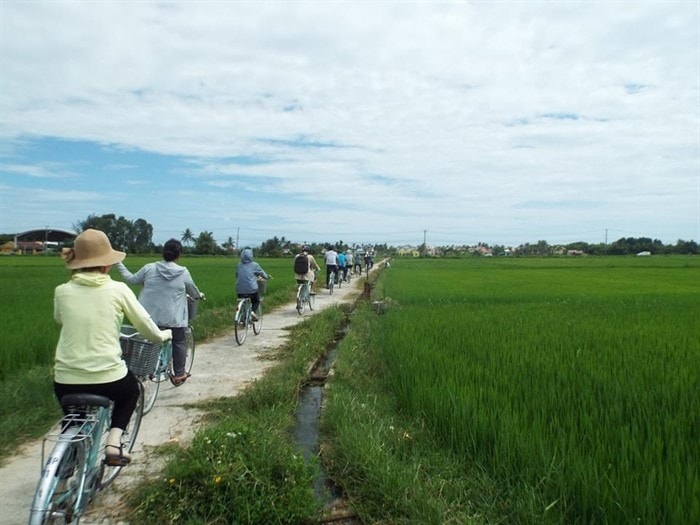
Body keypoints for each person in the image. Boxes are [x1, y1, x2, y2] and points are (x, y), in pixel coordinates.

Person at [54, 229, 172, 466]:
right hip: (108, 377)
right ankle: (114, 443)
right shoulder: (118, 290)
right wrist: (162, 336)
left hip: (64, 379)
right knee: (131, 391)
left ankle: (65, 470)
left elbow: (60, 318)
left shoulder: (62, 291)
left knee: (75, 419)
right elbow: (145, 325)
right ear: (107, 264)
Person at [116, 239, 203, 387]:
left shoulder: (149, 268)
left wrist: (118, 263)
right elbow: (193, 291)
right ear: (179, 255)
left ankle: (138, 371)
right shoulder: (183, 272)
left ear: (163, 253)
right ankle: (179, 374)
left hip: (147, 318)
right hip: (173, 320)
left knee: (144, 342)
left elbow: (131, 279)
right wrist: (198, 295)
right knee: (179, 340)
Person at [236, 247, 270, 321]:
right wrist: (267, 277)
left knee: (244, 302)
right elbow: (262, 273)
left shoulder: (239, 265)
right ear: (251, 256)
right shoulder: (254, 265)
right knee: (256, 300)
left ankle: (243, 317)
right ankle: (252, 312)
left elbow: (237, 275)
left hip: (239, 290)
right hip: (251, 290)